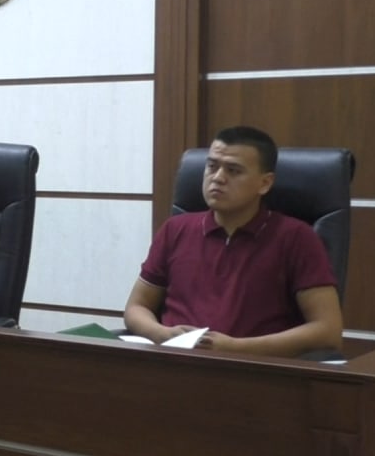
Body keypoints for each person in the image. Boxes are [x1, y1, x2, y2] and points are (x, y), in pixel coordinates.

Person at [122, 126, 343, 357]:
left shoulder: (297, 238)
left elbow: (327, 330)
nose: (218, 178)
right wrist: (162, 334)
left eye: (233, 170)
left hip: (252, 368)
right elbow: (137, 307)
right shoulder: (175, 229)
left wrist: (236, 348)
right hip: (173, 362)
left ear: (265, 183)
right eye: (212, 166)